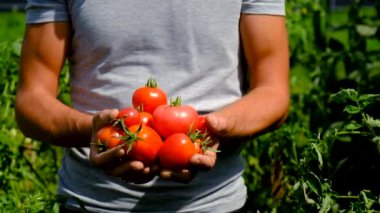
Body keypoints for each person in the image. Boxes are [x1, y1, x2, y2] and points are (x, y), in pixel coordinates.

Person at [15, 0, 289, 212]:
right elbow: (32, 100)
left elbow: (273, 91)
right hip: (90, 202)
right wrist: (98, 132)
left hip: (214, 203)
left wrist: (218, 127)